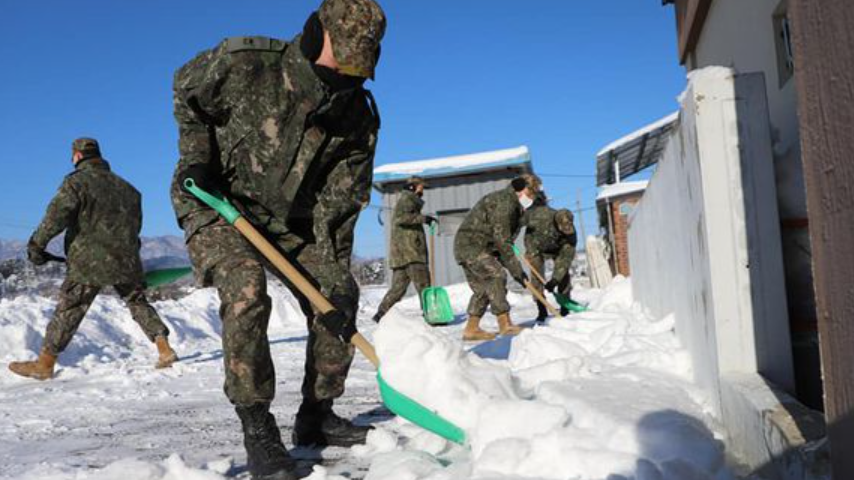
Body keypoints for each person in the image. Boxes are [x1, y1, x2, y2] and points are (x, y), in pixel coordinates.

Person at [170, 1, 385, 478]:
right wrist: (196, 155)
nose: (346, 77)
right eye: (340, 61)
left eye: (358, 67)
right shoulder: (244, 64)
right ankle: (257, 426)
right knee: (247, 286)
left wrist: (330, 289)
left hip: (290, 219)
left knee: (337, 291)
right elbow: (186, 95)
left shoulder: (357, 117)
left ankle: (317, 416)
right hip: (214, 197)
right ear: (315, 35)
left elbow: (339, 209)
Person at [8, 138, 178, 381]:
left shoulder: (76, 183)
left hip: (89, 262)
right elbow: (135, 228)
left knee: (70, 308)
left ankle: (44, 364)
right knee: (137, 302)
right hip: (126, 260)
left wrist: (37, 245)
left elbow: (56, 217)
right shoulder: (129, 189)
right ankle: (165, 349)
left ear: (77, 156)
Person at [453, 176, 538, 341]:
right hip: (472, 246)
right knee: (497, 275)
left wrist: (517, 271)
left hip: (474, 246)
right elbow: (502, 241)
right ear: (520, 188)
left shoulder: (514, 207)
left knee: (484, 289)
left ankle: (471, 329)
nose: (532, 197)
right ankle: (505, 324)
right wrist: (516, 270)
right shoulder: (504, 202)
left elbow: (502, 245)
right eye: (531, 192)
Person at [373, 176, 435, 322]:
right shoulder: (408, 200)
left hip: (402, 256)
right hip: (412, 253)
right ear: (412, 187)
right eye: (421, 187)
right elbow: (400, 219)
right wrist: (424, 219)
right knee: (424, 286)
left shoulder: (406, 200)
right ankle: (431, 315)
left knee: (397, 290)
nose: (422, 190)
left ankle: (380, 315)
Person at [523, 196, 578, 321]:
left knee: (564, 275)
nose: (565, 232)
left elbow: (564, 260)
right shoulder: (538, 219)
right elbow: (521, 227)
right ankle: (541, 308)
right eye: (562, 230)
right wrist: (530, 253)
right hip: (536, 245)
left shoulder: (571, 234)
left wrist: (554, 280)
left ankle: (565, 305)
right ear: (556, 224)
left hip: (557, 248)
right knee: (536, 275)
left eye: (567, 230)